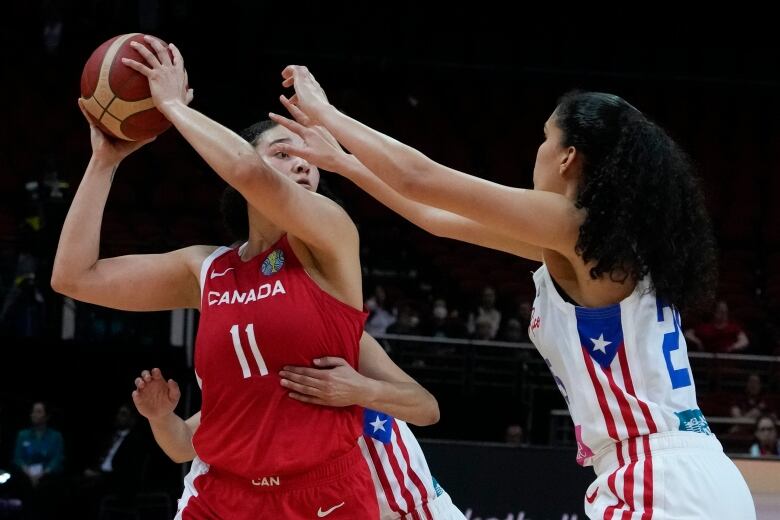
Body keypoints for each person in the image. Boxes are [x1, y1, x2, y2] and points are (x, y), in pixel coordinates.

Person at [269, 66, 756, 518]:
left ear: (568, 157)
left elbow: (422, 178)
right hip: (691, 473)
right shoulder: (598, 246)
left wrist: (327, 113)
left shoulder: (577, 227)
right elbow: (435, 219)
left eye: (545, 138)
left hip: (659, 479)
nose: (537, 151)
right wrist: (345, 164)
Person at [51, 37, 437, 519]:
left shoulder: (331, 238)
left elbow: (247, 171)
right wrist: (104, 162)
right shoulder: (206, 269)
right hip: (222, 494)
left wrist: (171, 105)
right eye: (281, 151)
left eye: (308, 158)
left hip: (322, 495)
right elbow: (74, 277)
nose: (301, 161)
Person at [133, 358, 465, 519]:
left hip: (410, 508)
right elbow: (181, 445)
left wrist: (362, 389)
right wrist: (160, 417)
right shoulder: (252, 377)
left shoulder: (340, 338)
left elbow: (428, 409)